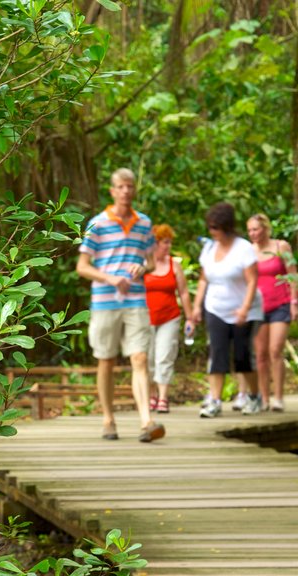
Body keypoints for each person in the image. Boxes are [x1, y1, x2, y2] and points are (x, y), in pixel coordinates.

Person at [76, 168, 165, 443]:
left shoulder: (144, 223)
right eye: (121, 187)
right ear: (113, 191)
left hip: (136, 298)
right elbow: (82, 267)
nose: (126, 191)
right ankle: (108, 419)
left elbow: (151, 261)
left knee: (139, 357)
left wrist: (143, 266)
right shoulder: (98, 223)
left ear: (134, 190)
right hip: (105, 300)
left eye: (130, 186)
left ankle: (146, 421)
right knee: (106, 359)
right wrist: (110, 277)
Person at [190, 202, 264, 417]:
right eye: (210, 227)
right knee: (217, 353)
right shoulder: (209, 248)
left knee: (242, 357)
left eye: (216, 228)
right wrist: (196, 307)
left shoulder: (243, 248)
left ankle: (254, 395)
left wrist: (244, 308)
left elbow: (252, 281)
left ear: (227, 227)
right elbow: (204, 280)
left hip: (244, 311)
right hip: (215, 307)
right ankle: (214, 400)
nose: (212, 232)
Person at [247, 214, 298, 412]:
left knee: (275, 350)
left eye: (256, 229)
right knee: (260, 354)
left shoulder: (281, 247)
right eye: (250, 230)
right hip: (258, 307)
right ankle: (264, 397)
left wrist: (294, 302)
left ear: (265, 229)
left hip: (281, 303)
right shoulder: (248, 251)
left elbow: (293, 273)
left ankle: (278, 397)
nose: (253, 234)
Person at [144, 224, 194, 414]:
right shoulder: (143, 263)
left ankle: (163, 397)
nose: (168, 246)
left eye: (170, 242)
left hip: (169, 317)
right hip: (145, 318)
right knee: (147, 358)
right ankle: (151, 395)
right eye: (166, 242)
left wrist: (190, 318)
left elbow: (184, 292)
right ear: (155, 243)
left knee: (164, 356)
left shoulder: (174, 264)